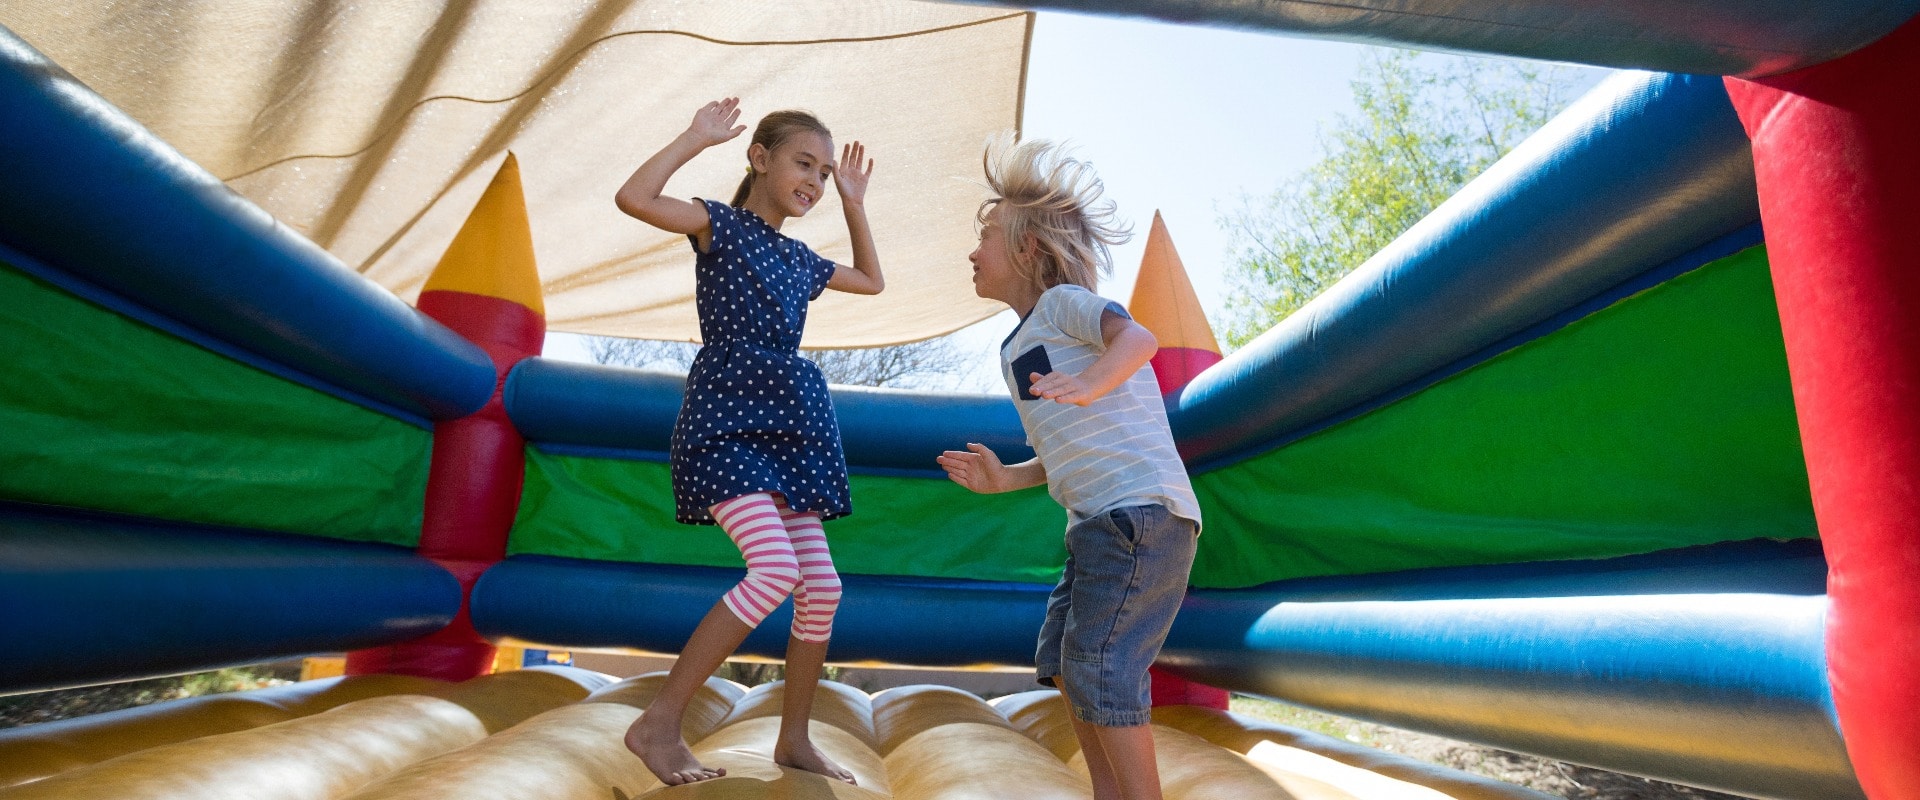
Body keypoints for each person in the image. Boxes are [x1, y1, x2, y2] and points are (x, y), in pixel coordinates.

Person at [613, 97, 883, 786]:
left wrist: (854, 202)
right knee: (775, 571)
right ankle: (659, 723)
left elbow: (872, 282)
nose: (816, 181)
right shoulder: (719, 224)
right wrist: (693, 137)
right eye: (804, 164)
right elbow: (634, 197)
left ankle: (793, 738)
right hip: (730, 416)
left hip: (791, 426)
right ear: (759, 160)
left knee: (821, 585)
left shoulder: (800, 259)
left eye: (824, 172)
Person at [936, 138, 1200, 800]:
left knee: (1102, 665)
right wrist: (1008, 478)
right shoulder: (1020, 347)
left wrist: (1093, 384)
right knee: (1064, 661)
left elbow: (1138, 340)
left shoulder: (1063, 305)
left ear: (1027, 251)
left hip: (1138, 515)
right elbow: (1060, 452)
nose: (973, 252)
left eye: (987, 236)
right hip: (1095, 526)